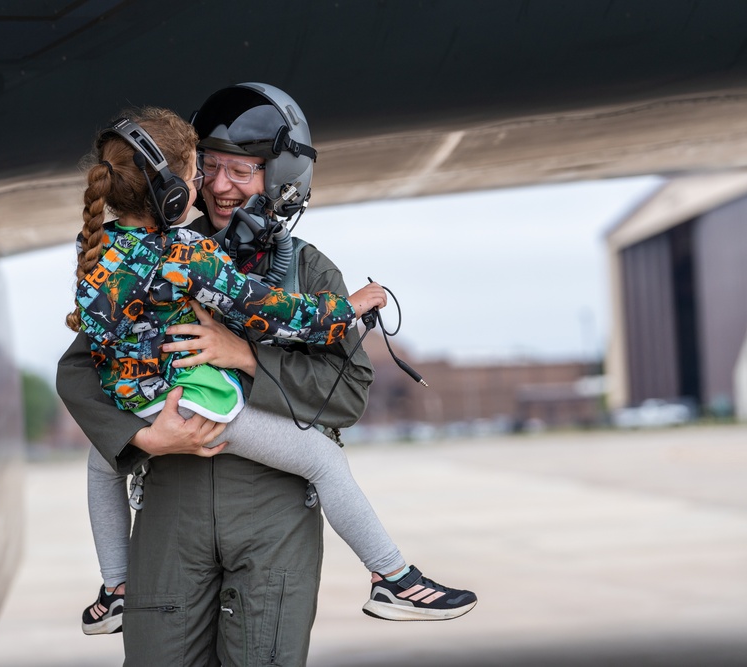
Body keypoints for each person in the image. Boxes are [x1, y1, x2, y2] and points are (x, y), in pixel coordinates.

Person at [56, 84, 473, 666]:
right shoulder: (174, 251)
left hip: (272, 526)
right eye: (213, 167)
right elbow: (79, 371)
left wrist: (247, 356)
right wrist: (146, 437)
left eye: (244, 170)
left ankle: (114, 588)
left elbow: (347, 394)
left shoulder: (305, 268)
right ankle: (393, 577)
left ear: (280, 175)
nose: (223, 186)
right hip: (172, 519)